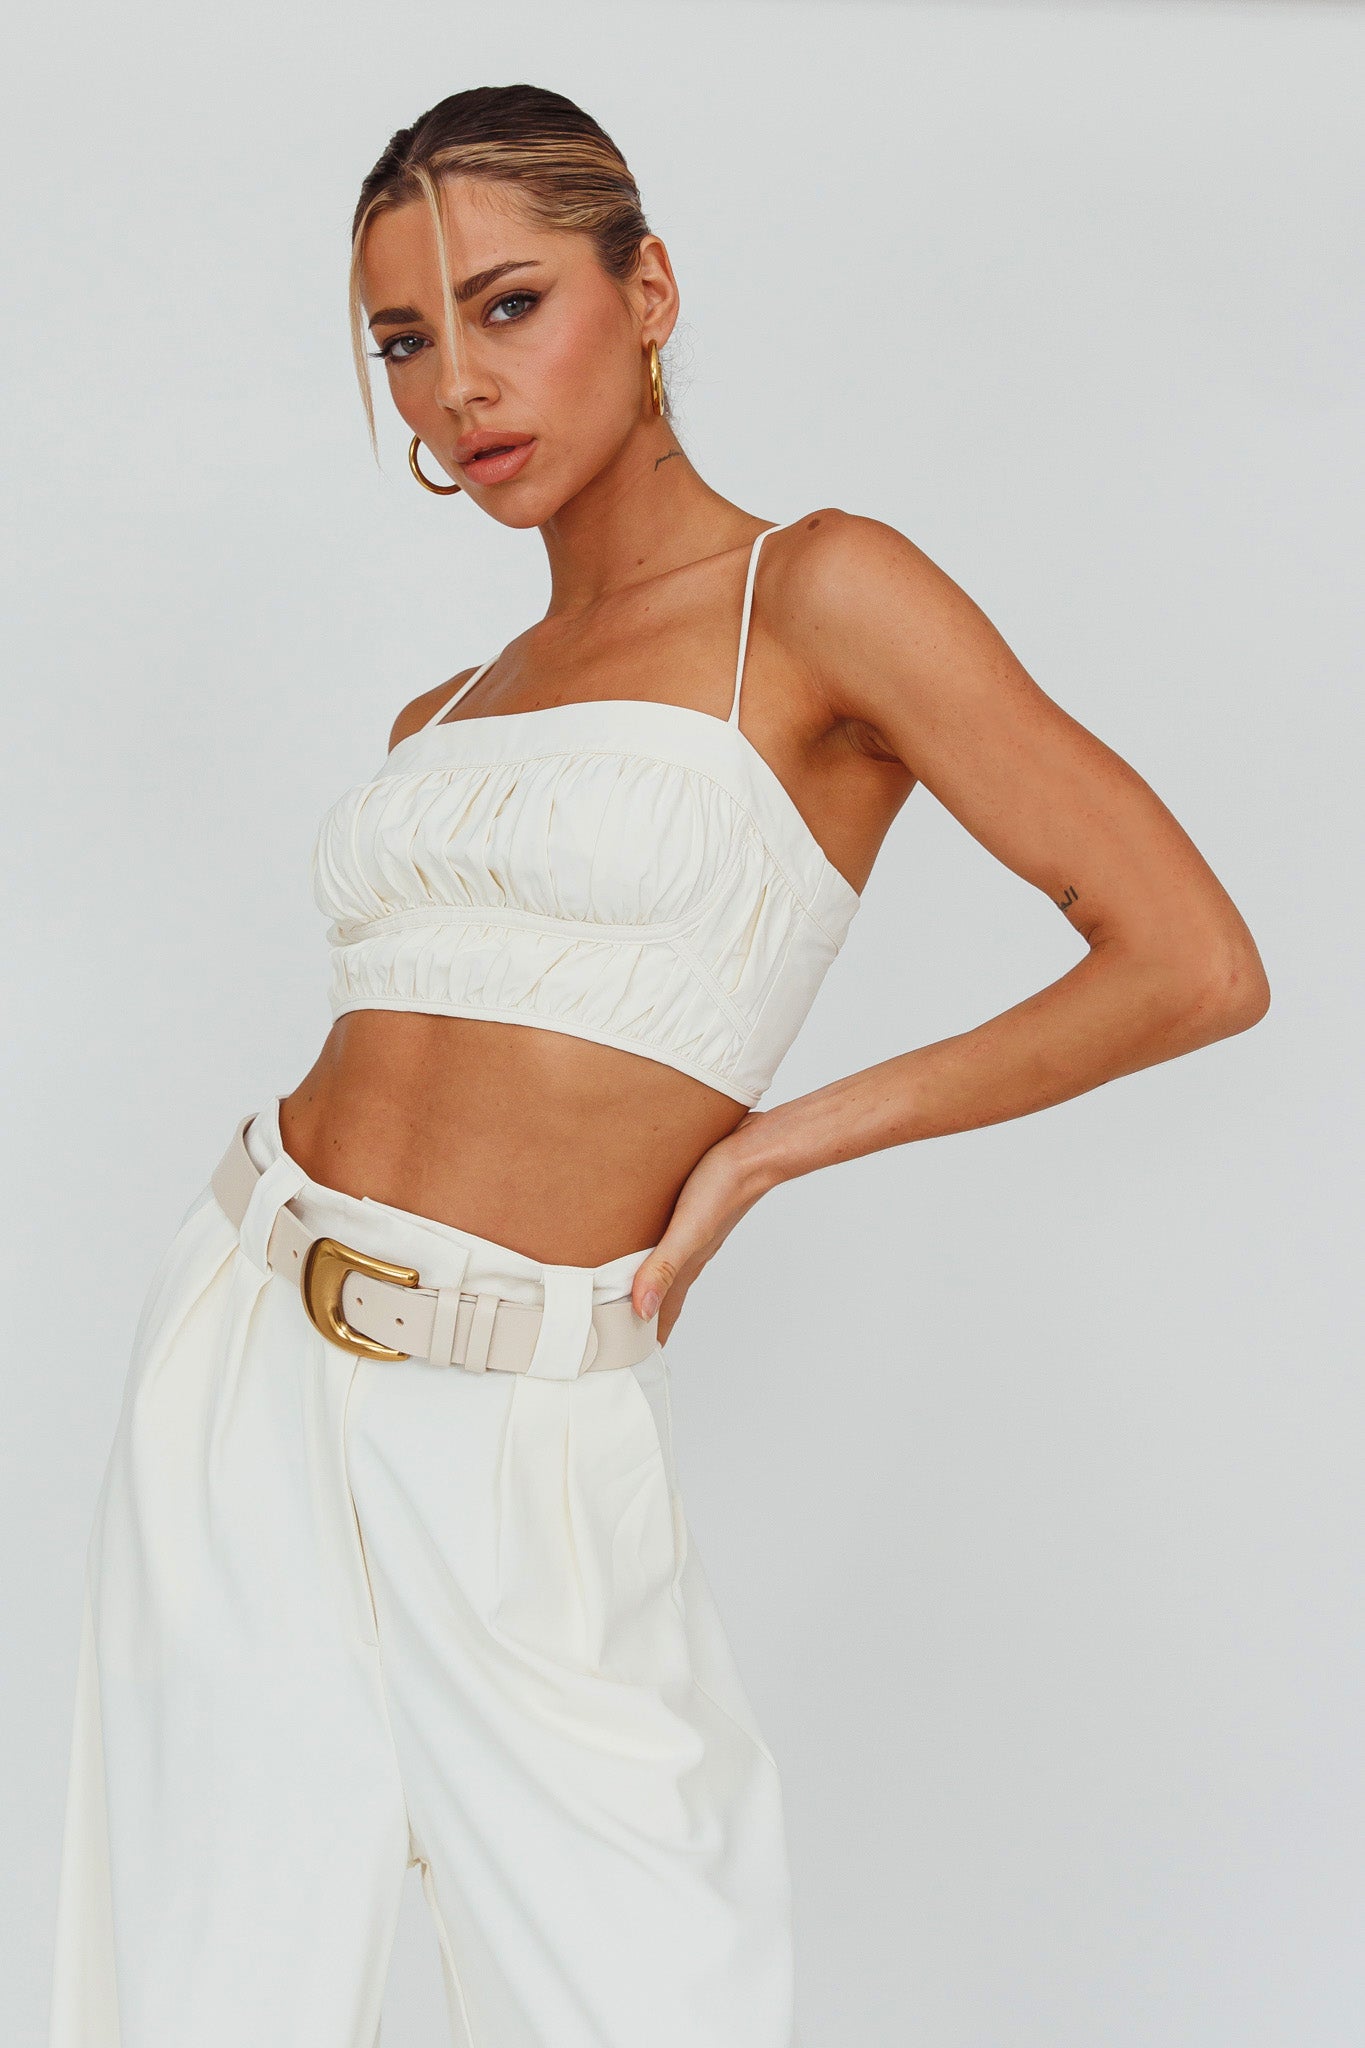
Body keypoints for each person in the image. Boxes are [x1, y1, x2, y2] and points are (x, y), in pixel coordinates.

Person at [47, 82, 1270, 2048]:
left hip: (523, 1408)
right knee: (198, 1990)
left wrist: (768, 1148)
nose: (456, 384)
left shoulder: (820, 595)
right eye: (403, 339)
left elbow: (1189, 963)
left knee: (641, 1991)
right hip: (243, 1341)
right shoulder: (444, 708)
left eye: (507, 304)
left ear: (648, 290)